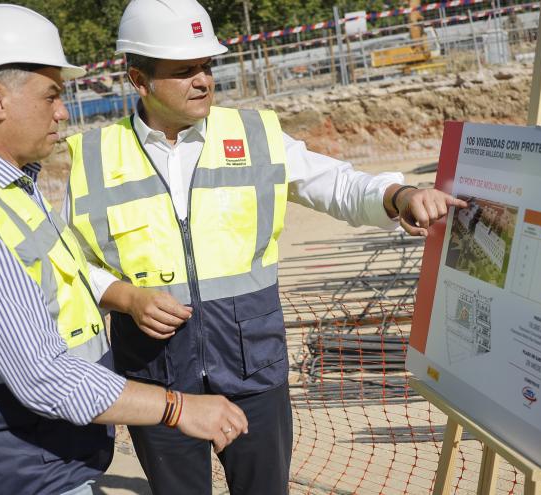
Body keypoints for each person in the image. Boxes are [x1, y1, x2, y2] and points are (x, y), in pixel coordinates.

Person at [65, 1, 466, 493]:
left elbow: (337, 184)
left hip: (252, 370)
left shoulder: (254, 135)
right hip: (158, 381)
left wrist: (398, 195)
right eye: (184, 71)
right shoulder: (95, 157)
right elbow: (68, 263)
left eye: (206, 66)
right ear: (138, 80)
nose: (203, 81)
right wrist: (125, 297)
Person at [0, 5, 246, 495]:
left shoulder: (9, 187)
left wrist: (126, 297)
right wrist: (178, 407)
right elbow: (44, 376)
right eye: (52, 95)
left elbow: (62, 286)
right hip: (15, 474)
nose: (63, 111)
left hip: (46, 461)